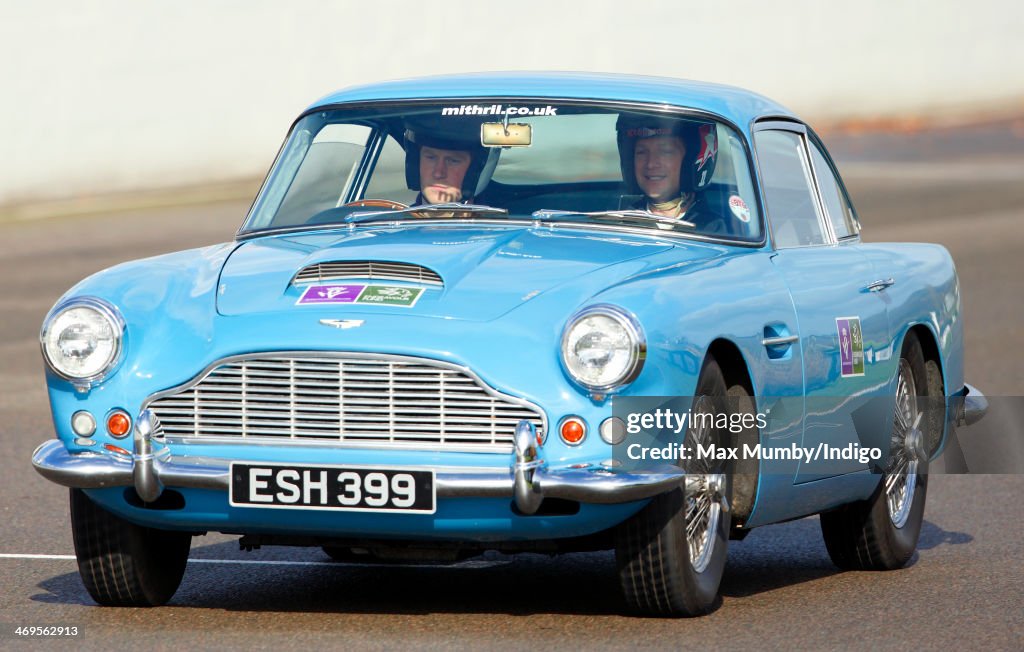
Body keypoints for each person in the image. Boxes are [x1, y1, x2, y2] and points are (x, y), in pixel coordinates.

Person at [615, 115, 721, 227]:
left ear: (690, 160)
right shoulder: (615, 223)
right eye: (641, 152)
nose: (651, 164)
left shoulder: (714, 230)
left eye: (665, 152)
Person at [404, 116, 500, 205]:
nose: (438, 173)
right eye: (431, 158)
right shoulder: (395, 222)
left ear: (477, 168)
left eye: (453, 161)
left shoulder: (504, 222)